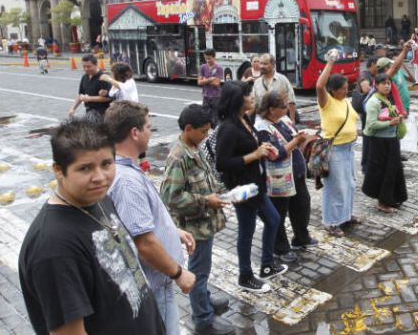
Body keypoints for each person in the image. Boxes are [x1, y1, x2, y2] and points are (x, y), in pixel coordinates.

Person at [18, 119, 166, 335]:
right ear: (58, 170)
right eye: (85, 168)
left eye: (106, 164)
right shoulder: (53, 248)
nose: (100, 178)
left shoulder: (98, 199)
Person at [104, 101, 196, 335]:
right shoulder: (126, 182)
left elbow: (138, 222)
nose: (149, 132)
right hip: (156, 283)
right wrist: (178, 273)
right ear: (134, 133)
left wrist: (173, 232)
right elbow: (143, 242)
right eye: (148, 127)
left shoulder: (126, 169)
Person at [160, 104, 235, 335]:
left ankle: (205, 300)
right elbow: (170, 197)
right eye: (203, 131)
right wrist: (205, 201)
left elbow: (208, 178)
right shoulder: (179, 156)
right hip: (194, 226)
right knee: (198, 272)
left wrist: (225, 192)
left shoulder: (194, 147)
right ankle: (203, 319)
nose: (206, 136)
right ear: (189, 128)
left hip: (205, 221)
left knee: (203, 269)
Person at [216, 81, 286, 292]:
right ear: (238, 100)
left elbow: (249, 145)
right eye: (248, 95)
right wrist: (253, 155)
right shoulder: (228, 128)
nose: (252, 97)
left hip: (256, 184)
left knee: (273, 220)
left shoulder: (245, 119)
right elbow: (222, 163)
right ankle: (245, 276)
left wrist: (262, 148)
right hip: (242, 189)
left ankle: (266, 266)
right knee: (247, 231)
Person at [254, 91, 317, 264]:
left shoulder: (285, 120)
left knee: (302, 205)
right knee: (278, 214)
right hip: (277, 178)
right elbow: (274, 154)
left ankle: (301, 237)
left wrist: (302, 138)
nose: (287, 109)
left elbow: (293, 136)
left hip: (296, 173)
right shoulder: (262, 127)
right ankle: (280, 247)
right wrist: (295, 142)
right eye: (283, 107)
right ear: (271, 109)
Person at [316, 51, 360, 237]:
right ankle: (331, 221)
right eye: (343, 88)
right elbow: (319, 85)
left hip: (349, 148)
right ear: (333, 90)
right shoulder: (327, 102)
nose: (346, 90)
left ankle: (345, 215)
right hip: (335, 150)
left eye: (347, 87)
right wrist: (330, 63)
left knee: (349, 184)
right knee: (336, 187)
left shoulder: (345, 101)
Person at [362, 73, 407, 213]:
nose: (387, 86)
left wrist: (398, 117)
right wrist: (390, 122)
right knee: (384, 172)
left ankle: (392, 198)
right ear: (376, 85)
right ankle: (383, 202)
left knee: (394, 170)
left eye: (388, 83)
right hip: (380, 143)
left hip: (391, 140)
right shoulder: (373, 102)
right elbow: (371, 124)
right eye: (383, 83)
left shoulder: (387, 99)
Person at [252, 53, 297, 124]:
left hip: (280, 120)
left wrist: (292, 120)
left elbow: (291, 101)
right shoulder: (257, 83)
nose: (262, 66)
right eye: (261, 63)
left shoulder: (282, 79)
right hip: (262, 120)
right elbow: (254, 104)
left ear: (273, 65)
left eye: (265, 64)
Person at [68, 54, 112, 122]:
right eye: (84, 66)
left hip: (102, 113)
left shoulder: (103, 77)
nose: (86, 69)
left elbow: (108, 98)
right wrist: (73, 108)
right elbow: (80, 95)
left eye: (88, 66)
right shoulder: (84, 77)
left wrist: (89, 98)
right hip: (89, 111)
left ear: (96, 64)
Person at [199, 49, 224, 128]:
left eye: (209, 58)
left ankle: (216, 132)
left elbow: (217, 83)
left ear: (214, 57)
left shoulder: (219, 68)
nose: (207, 60)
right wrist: (210, 79)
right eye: (206, 58)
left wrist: (204, 80)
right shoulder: (202, 67)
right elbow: (199, 82)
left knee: (216, 116)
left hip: (216, 96)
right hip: (205, 95)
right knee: (205, 115)